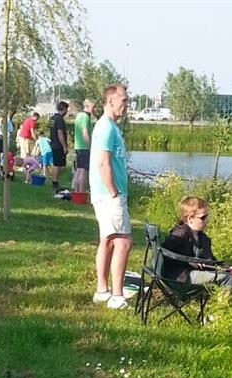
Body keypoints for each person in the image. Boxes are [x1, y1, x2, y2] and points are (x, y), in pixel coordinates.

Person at [89, 84, 132, 310]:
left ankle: (102, 291)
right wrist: (114, 192)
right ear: (111, 101)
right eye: (124, 100)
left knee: (107, 240)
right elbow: (102, 163)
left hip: (107, 194)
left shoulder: (111, 126)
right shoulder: (105, 127)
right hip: (109, 195)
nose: (127, 105)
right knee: (123, 242)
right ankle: (116, 296)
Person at [162, 196, 232, 290]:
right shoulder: (179, 234)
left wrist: (227, 268)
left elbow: (210, 261)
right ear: (190, 219)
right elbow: (165, 255)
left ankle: (226, 296)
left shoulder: (203, 237)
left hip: (191, 272)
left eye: (207, 216)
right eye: (203, 217)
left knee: (229, 275)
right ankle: (226, 299)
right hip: (180, 276)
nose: (207, 220)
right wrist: (190, 263)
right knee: (227, 278)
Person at [73, 98, 95, 192]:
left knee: (78, 170)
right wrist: (90, 147)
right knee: (83, 171)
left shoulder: (79, 115)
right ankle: (81, 192)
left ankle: (76, 192)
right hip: (84, 147)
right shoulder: (85, 117)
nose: (93, 109)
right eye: (92, 107)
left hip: (78, 146)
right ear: (88, 106)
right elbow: (85, 133)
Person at [49, 100, 69, 189]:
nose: (67, 111)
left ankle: (54, 181)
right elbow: (60, 132)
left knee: (55, 163)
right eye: (66, 109)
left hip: (53, 143)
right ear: (64, 109)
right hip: (58, 144)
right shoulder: (60, 119)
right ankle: (55, 182)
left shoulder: (52, 118)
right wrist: (64, 146)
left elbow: (51, 130)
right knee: (58, 164)